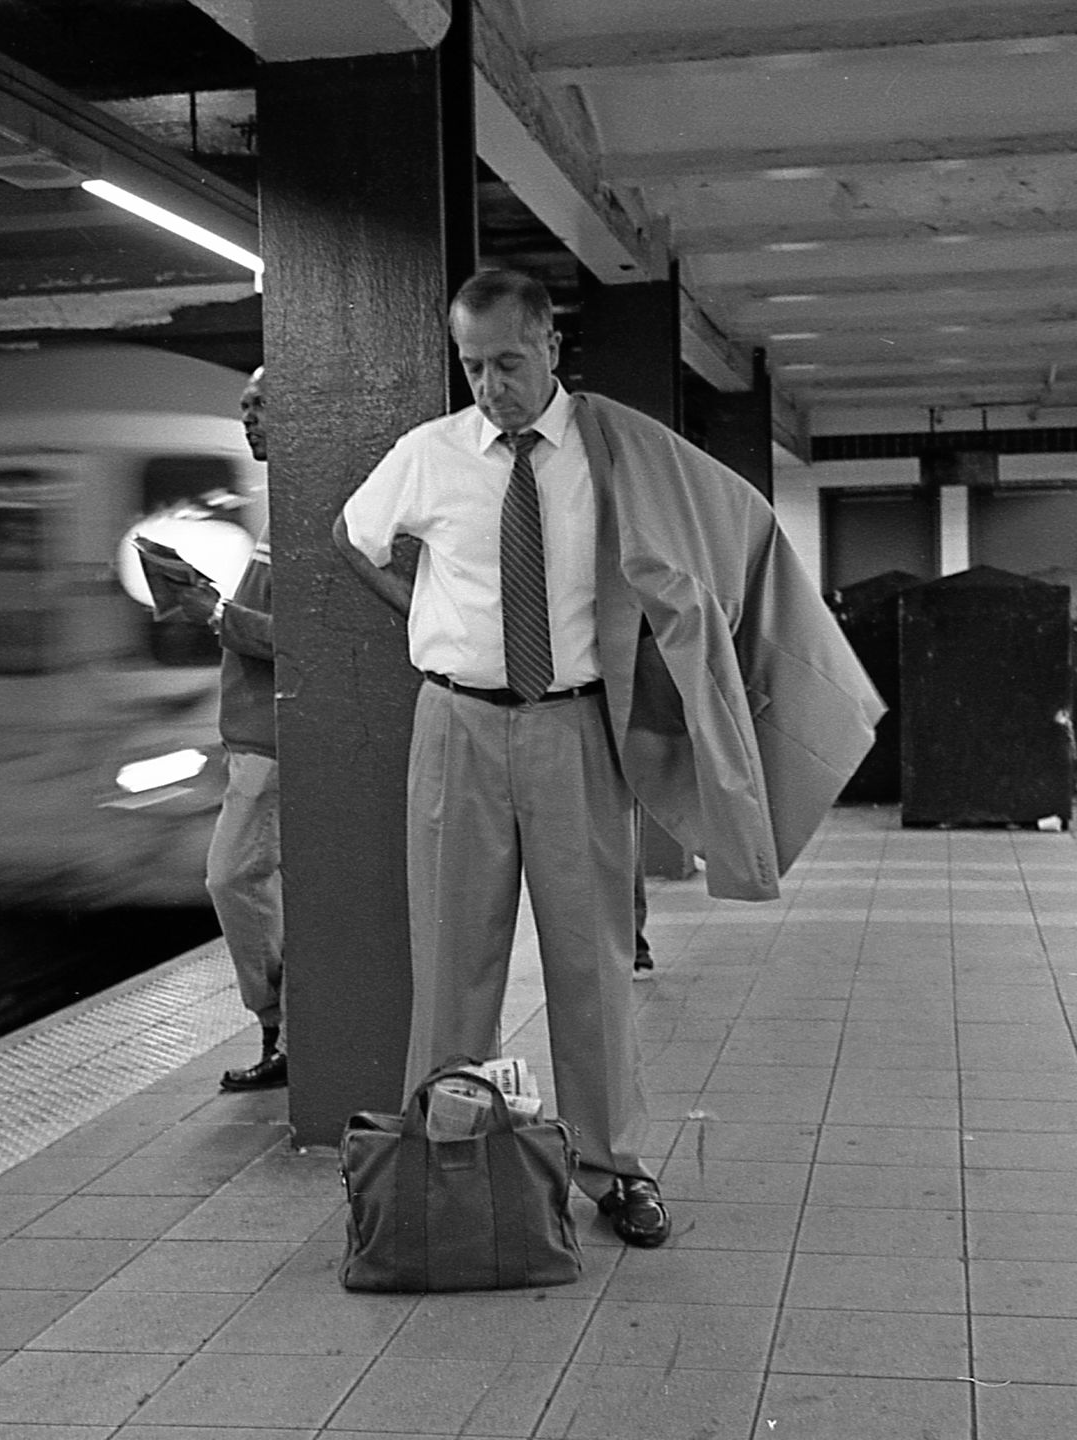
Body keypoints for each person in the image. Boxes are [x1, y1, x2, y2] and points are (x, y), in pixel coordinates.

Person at [333, 270, 882, 1249]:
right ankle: (444, 1154)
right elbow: (352, 537)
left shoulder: (615, 450)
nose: (490, 386)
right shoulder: (429, 455)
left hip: (575, 728)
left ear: (549, 344)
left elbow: (735, 526)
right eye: (471, 367)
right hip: (454, 726)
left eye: (506, 361)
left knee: (589, 963)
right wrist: (422, 614)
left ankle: (613, 1170)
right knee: (452, 960)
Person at [169, 368, 286, 1091]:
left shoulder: (303, 510)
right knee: (254, 883)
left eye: (260, 405)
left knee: (231, 876)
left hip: (274, 743)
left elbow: (301, 636)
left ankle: (280, 1027)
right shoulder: (283, 511)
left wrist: (213, 614)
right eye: (242, 407)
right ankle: (283, 1033)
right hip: (255, 739)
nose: (248, 418)